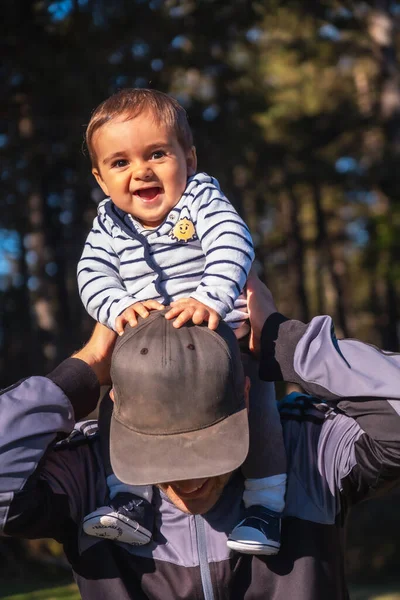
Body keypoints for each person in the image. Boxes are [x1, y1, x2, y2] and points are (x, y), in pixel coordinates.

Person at [2, 275, 400, 599]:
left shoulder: (307, 449)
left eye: (209, 444)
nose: (189, 480)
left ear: (245, 395)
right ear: (117, 409)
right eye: (156, 449)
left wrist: (285, 343)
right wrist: (82, 371)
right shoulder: (87, 473)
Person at [77, 87, 287, 555]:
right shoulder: (108, 224)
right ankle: (129, 500)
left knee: (258, 401)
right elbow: (91, 274)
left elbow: (234, 241)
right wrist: (114, 307)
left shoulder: (200, 198)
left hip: (220, 338)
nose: (141, 172)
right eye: (120, 163)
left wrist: (211, 297)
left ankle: (266, 507)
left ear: (187, 158)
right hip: (148, 355)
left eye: (156, 154)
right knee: (117, 402)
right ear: (100, 178)